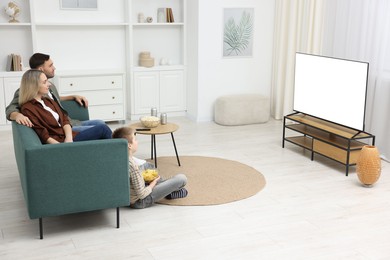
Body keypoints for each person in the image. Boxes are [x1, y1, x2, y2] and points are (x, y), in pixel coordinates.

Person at [5, 52, 106, 132]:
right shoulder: (27, 91)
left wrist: (72, 96)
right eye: (50, 66)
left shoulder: (50, 86)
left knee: (101, 123)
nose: (54, 68)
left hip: (70, 122)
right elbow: (11, 108)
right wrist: (18, 115)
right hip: (61, 128)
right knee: (101, 129)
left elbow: (55, 98)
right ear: (41, 69)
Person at [19, 69, 112, 144]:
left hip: (69, 137)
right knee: (103, 129)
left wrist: (69, 138)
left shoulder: (47, 101)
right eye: (44, 82)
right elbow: (42, 134)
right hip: (60, 142)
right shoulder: (28, 108)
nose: (49, 84)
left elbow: (64, 119)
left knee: (103, 128)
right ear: (33, 86)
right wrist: (62, 149)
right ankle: (119, 158)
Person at [112, 126, 188, 209]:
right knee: (182, 179)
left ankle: (167, 189)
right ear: (129, 145)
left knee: (148, 166)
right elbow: (142, 195)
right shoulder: (132, 167)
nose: (137, 142)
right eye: (135, 139)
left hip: (132, 193)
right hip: (140, 201)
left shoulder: (119, 158)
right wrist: (152, 184)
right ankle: (169, 191)